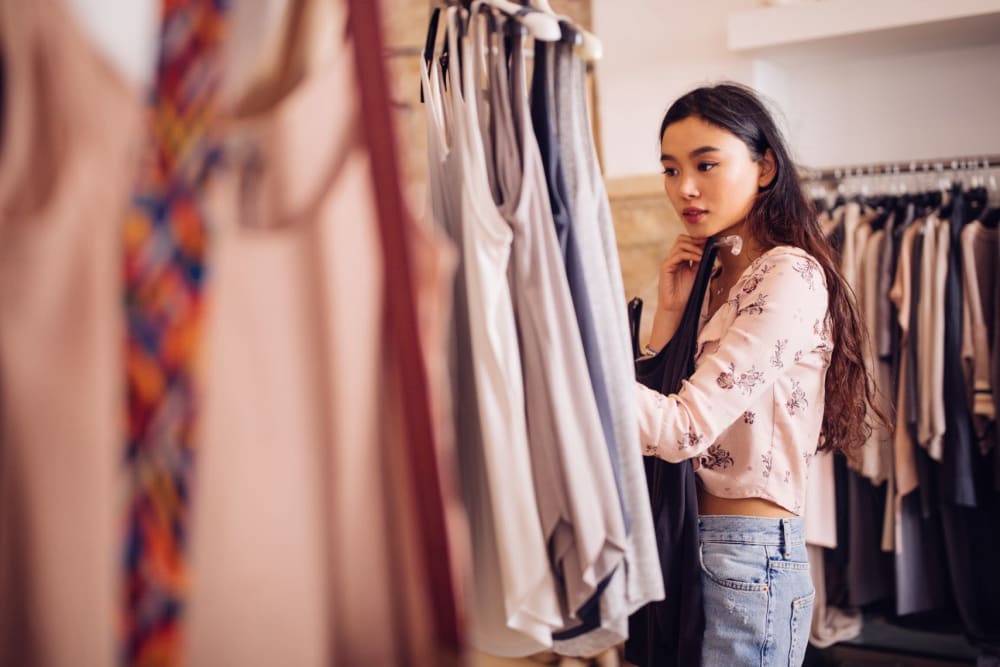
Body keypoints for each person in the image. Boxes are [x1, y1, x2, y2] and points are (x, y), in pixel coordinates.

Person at [634, 83, 885, 666]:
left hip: (747, 557)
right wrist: (670, 313)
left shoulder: (789, 274)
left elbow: (681, 430)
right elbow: (660, 421)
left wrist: (576, 371)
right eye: (670, 169)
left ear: (765, 165)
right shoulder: (716, 274)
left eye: (706, 164)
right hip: (689, 542)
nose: (684, 188)